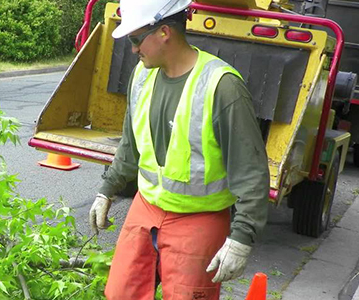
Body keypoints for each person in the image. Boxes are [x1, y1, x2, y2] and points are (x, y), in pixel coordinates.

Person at [87, 0, 270, 299]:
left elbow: (250, 171)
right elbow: (131, 145)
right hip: (146, 207)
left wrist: (241, 239)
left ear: (164, 32)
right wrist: (106, 190)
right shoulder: (142, 75)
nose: (133, 49)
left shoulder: (221, 87)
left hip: (200, 218)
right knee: (121, 293)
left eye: (136, 39)